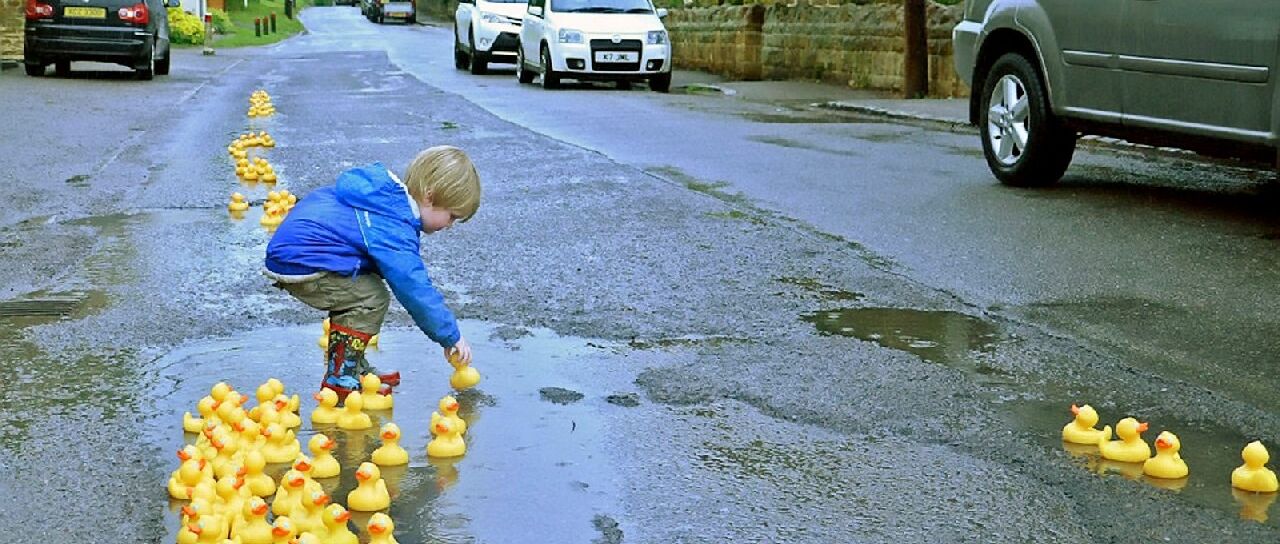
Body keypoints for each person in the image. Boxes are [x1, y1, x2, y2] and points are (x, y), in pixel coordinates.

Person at [264, 145, 479, 398]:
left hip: (296, 251)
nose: (450, 226)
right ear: (430, 197)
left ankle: (353, 368)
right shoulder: (394, 223)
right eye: (452, 216)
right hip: (306, 258)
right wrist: (449, 335)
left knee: (362, 287)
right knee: (370, 298)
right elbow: (413, 286)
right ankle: (341, 376)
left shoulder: (382, 199)